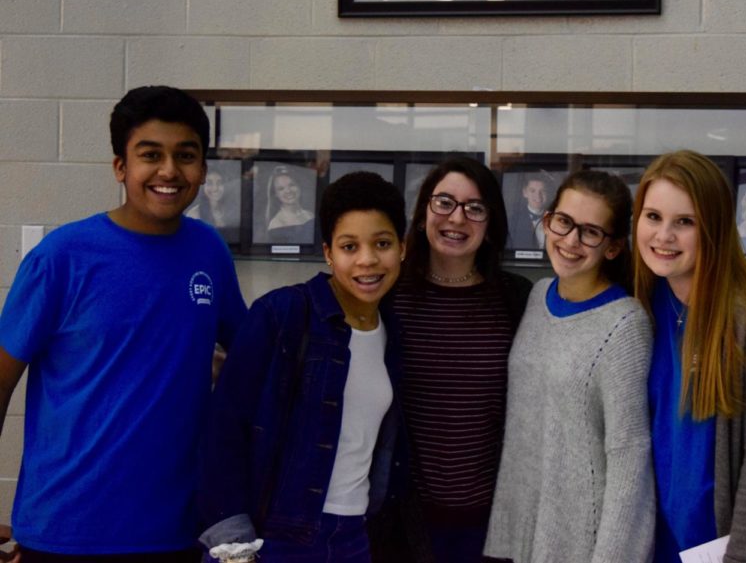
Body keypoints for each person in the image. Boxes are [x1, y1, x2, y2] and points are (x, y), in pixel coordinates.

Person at [0, 85, 248, 561]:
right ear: (121, 167)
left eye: (186, 155)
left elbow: (250, 352)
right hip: (64, 532)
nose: (169, 171)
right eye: (150, 155)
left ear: (203, 169)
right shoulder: (62, 258)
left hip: (177, 532)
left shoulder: (209, 252)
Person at [199, 171, 408, 563]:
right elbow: (224, 430)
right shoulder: (281, 314)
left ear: (403, 248)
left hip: (354, 537)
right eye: (350, 246)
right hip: (273, 537)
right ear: (329, 253)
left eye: (382, 243)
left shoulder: (393, 331)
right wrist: (232, 542)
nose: (367, 260)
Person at [632, 150, 746, 563]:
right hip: (656, 540)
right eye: (653, 216)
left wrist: (738, 557)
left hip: (726, 544)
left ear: (714, 229)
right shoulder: (642, 299)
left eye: (684, 222)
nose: (663, 236)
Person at [485, 170, 655, 563]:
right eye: (563, 222)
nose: (570, 241)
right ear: (547, 221)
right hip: (525, 530)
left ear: (612, 248)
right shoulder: (538, 295)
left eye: (590, 231)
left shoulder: (625, 325)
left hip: (581, 537)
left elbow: (629, 458)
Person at [385, 155, 532, 563]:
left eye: (475, 208)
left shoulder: (515, 298)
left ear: (490, 226)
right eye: (444, 202)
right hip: (403, 518)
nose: (457, 218)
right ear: (422, 213)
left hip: (493, 522)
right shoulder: (388, 296)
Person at [187, 165, 240, 243]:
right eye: (209, 183)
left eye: (219, 183)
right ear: (203, 186)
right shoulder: (194, 215)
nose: (215, 188)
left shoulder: (234, 211)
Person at [265, 165, 314, 244]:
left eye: (291, 185)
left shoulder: (310, 215)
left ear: (299, 186)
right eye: (281, 189)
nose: (288, 191)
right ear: (276, 194)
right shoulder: (276, 224)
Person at [508, 174, 548, 250]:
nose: (538, 196)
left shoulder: (554, 218)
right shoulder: (512, 222)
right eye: (532, 191)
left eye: (542, 191)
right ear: (525, 193)